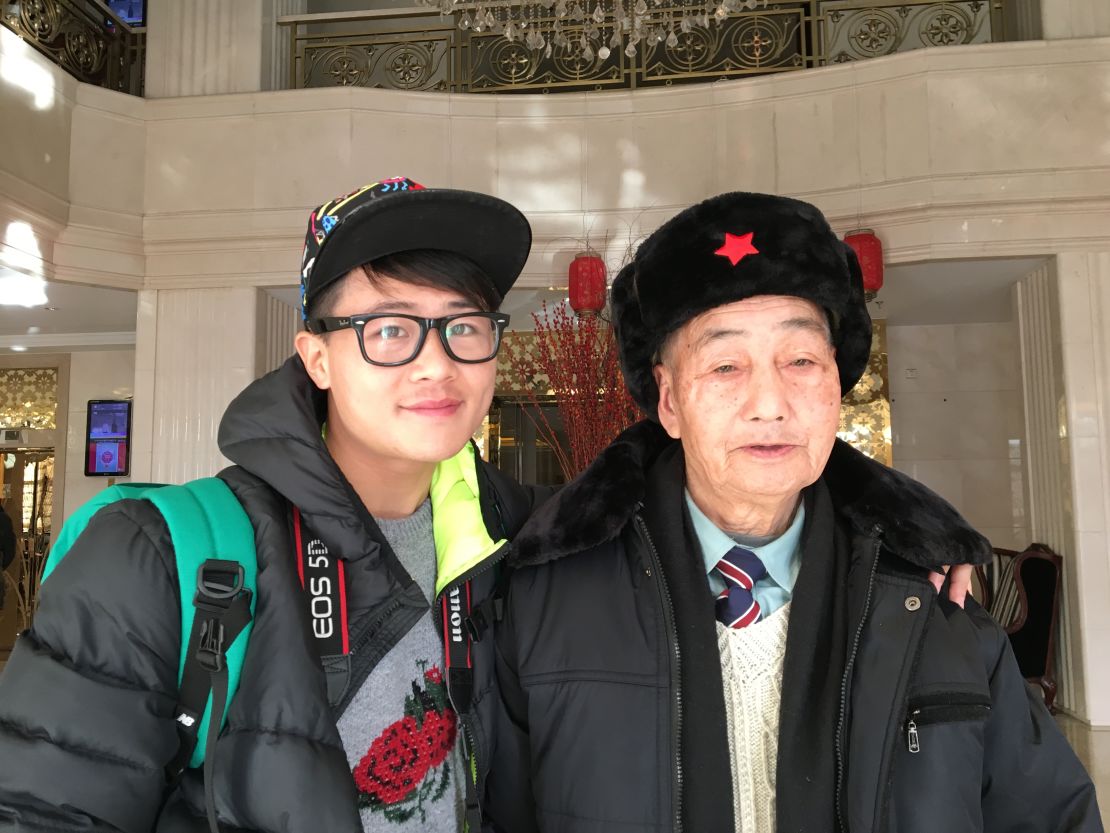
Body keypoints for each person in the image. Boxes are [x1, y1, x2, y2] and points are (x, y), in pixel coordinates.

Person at [483, 192, 1102, 833]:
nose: (769, 403)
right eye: (725, 365)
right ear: (668, 401)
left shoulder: (928, 601)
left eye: (801, 360)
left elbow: (1050, 816)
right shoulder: (551, 601)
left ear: (837, 382)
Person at [0, 177, 547, 832]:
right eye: (391, 328)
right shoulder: (155, 557)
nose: (436, 362)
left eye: (463, 325)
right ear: (317, 358)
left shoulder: (517, 536)